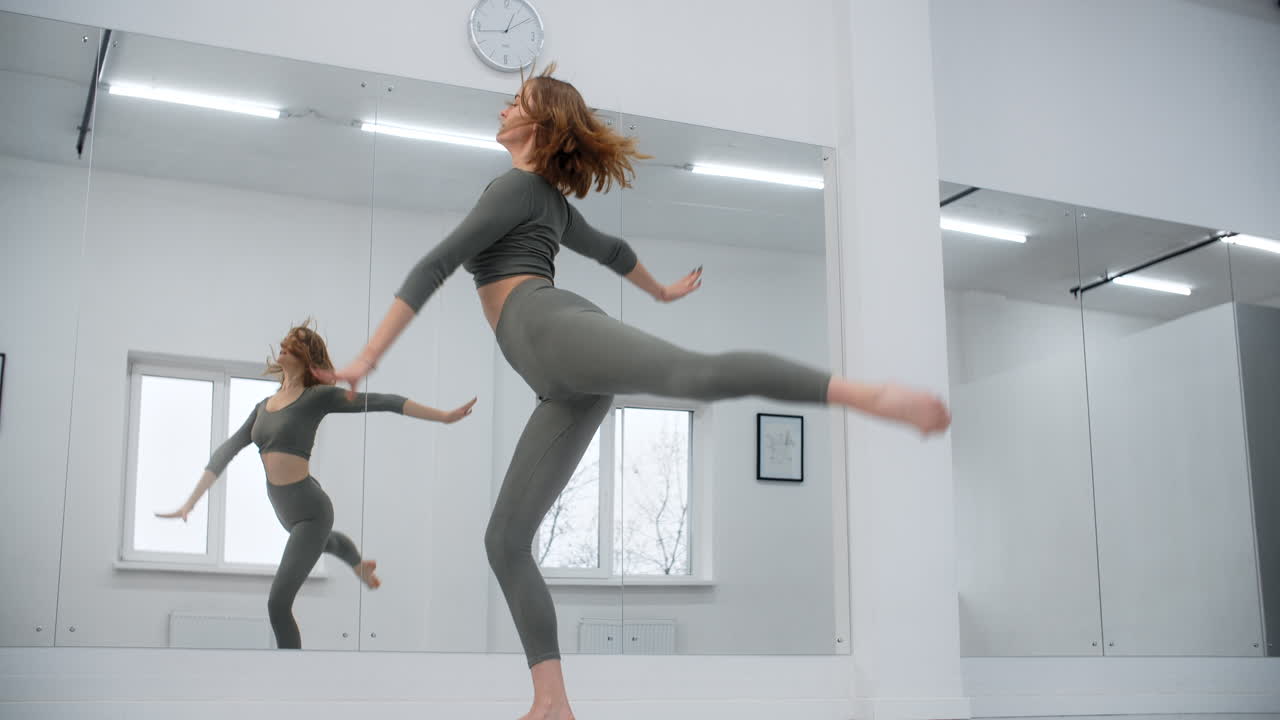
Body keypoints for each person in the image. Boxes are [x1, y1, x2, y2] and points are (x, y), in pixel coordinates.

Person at [321, 65, 950, 720]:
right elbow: (610, 247)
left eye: (519, 99)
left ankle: (865, 396)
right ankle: (552, 703)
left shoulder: (514, 187)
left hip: (549, 329)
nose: (505, 104)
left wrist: (367, 356)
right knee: (504, 540)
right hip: (557, 384)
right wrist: (660, 290)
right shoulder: (549, 203)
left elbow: (436, 263)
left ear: (540, 124)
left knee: (694, 375)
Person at [158, 321, 477, 649]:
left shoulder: (317, 397)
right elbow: (225, 452)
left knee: (278, 604)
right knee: (325, 543)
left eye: (293, 342)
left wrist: (443, 417)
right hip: (286, 512)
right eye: (284, 340)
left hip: (311, 510)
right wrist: (189, 502)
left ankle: (293, 675)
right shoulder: (261, 409)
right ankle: (357, 561)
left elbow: (382, 401)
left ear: (307, 356)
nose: (283, 343)